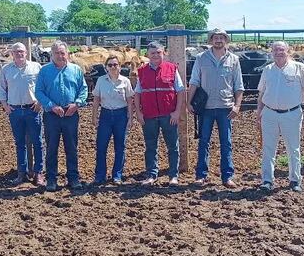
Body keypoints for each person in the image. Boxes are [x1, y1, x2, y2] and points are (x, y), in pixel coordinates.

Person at [256, 41, 304, 193]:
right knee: (268, 148)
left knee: (293, 148)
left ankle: (295, 179)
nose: (279, 52)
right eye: (276, 50)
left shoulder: (299, 68)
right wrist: (259, 113)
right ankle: (267, 180)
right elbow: (261, 93)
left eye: (282, 50)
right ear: (272, 52)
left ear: (288, 51)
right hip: (269, 112)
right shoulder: (267, 70)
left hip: (292, 113)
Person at [187, 28, 244, 188]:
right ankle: (201, 175)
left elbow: (238, 85)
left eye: (221, 38)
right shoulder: (201, 58)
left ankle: (227, 176)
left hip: (226, 107)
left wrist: (237, 105)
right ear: (211, 40)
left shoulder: (234, 59)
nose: (218, 40)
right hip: (206, 107)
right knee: (203, 141)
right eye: (215, 37)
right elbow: (194, 81)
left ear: (226, 40)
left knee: (226, 142)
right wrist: (188, 102)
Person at [35, 40, 88, 192]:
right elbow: (39, 91)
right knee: (51, 148)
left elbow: (83, 89)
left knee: (71, 147)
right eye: (57, 53)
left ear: (67, 54)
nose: (60, 56)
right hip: (52, 115)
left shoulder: (76, 70)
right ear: (52, 54)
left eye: (62, 53)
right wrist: (51, 105)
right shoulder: (45, 71)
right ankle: (51, 179)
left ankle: (73, 178)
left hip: (71, 113)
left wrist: (77, 104)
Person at [134, 41, 186, 186]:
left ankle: (173, 176)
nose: (156, 55)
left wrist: (177, 112)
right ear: (147, 55)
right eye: (153, 53)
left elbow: (180, 91)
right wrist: (138, 112)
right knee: (150, 146)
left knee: (172, 146)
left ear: (164, 53)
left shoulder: (172, 69)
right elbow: (137, 93)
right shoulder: (142, 71)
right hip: (149, 115)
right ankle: (151, 174)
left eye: (158, 52)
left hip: (168, 115)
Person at [0, 42, 45, 186]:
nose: (19, 54)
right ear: (12, 54)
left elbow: (43, 87)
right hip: (15, 110)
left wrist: (40, 102)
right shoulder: (6, 69)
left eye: (22, 51)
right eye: (16, 51)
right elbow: (1, 88)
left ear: (26, 52)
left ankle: (38, 173)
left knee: (38, 142)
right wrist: (5, 105)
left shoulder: (36, 67)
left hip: (32, 109)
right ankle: (21, 173)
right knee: (20, 143)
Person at [91, 55, 135, 185]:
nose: (113, 67)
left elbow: (129, 101)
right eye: (110, 65)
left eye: (115, 65)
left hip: (121, 114)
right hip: (105, 114)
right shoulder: (100, 80)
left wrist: (130, 118)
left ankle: (117, 175)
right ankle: (100, 175)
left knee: (120, 146)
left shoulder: (125, 81)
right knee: (101, 146)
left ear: (120, 67)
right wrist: (94, 116)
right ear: (106, 68)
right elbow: (96, 100)